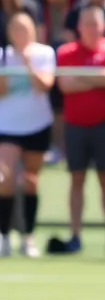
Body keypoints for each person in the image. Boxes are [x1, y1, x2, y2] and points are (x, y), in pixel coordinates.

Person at [54, 7, 105, 253]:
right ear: (79, 26)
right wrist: (98, 77)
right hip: (75, 125)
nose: (92, 28)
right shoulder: (66, 52)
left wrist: (82, 77)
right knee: (77, 179)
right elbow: (65, 84)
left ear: (103, 26)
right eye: (87, 24)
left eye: (96, 24)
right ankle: (75, 236)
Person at [0, 13, 56, 258]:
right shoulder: (2, 56)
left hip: (37, 125)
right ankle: (4, 236)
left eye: (25, 29)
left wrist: (27, 62)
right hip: (8, 126)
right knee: (5, 180)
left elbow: (44, 85)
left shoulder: (44, 54)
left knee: (31, 181)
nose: (20, 34)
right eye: (16, 29)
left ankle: (28, 236)